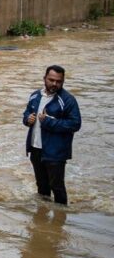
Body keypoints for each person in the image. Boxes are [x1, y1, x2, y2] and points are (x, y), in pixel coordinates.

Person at [22, 65, 81, 205]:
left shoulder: (67, 100)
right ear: (44, 78)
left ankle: (60, 220)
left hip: (55, 152)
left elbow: (75, 124)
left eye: (59, 81)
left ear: (63, 81)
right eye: (51, 80)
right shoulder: (35, 95)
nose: (54, 84)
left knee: (57, 187)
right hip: (36, 148)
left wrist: (48, 121)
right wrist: (27, 119)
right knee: (42, 186)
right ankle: (42, 218)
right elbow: (26, 113)